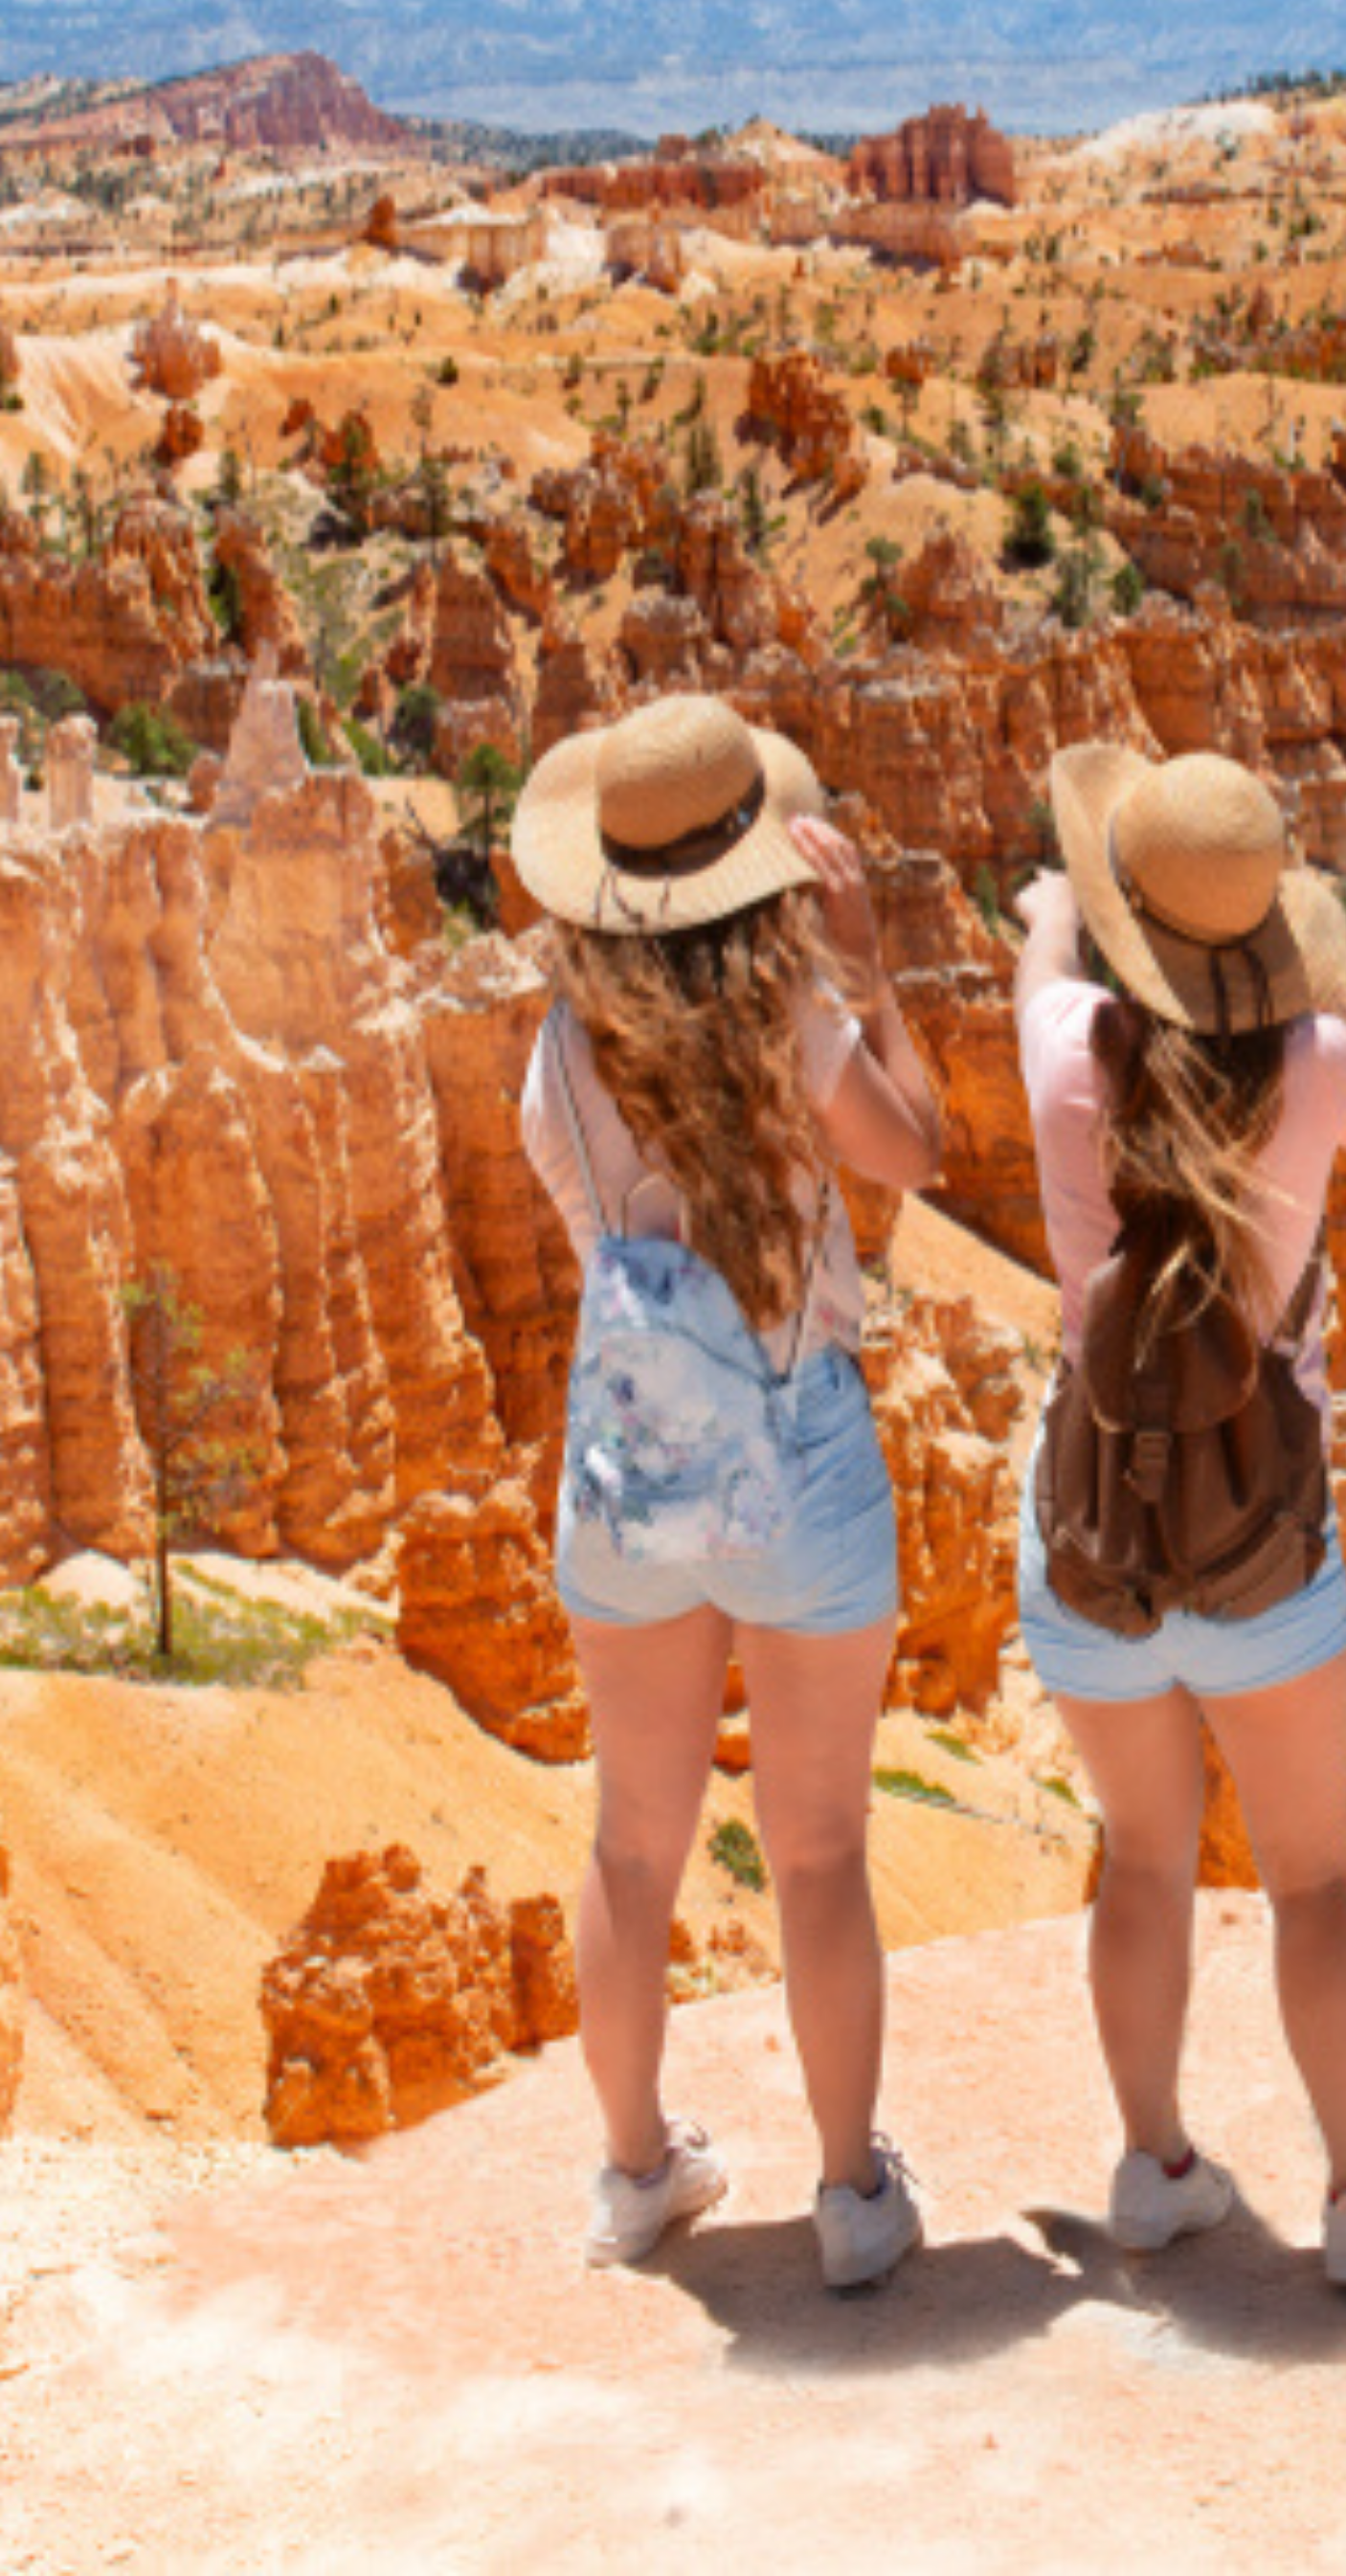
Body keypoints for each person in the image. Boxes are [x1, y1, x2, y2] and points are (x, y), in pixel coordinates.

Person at [510, 691, 946, 2286]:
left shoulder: (560, 1051)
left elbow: (590, 1225)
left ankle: (634, 2174)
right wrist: (870, 971)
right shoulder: (796, 1023)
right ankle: (849, 2198)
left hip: (633, 1467)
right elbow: (915, 1151)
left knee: (634, 1842)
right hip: (803, 1459)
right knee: (819, 1846)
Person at [1013, 740, 1346, 2288]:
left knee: (1143, 1859)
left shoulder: (1065, 1044)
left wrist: (1071, 899)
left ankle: (1154, 2166)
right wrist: (1333, 989)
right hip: (1267, 1541)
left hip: (1096, 1539)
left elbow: (1044, 946)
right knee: (1312, 1880)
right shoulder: (1319, 1062)